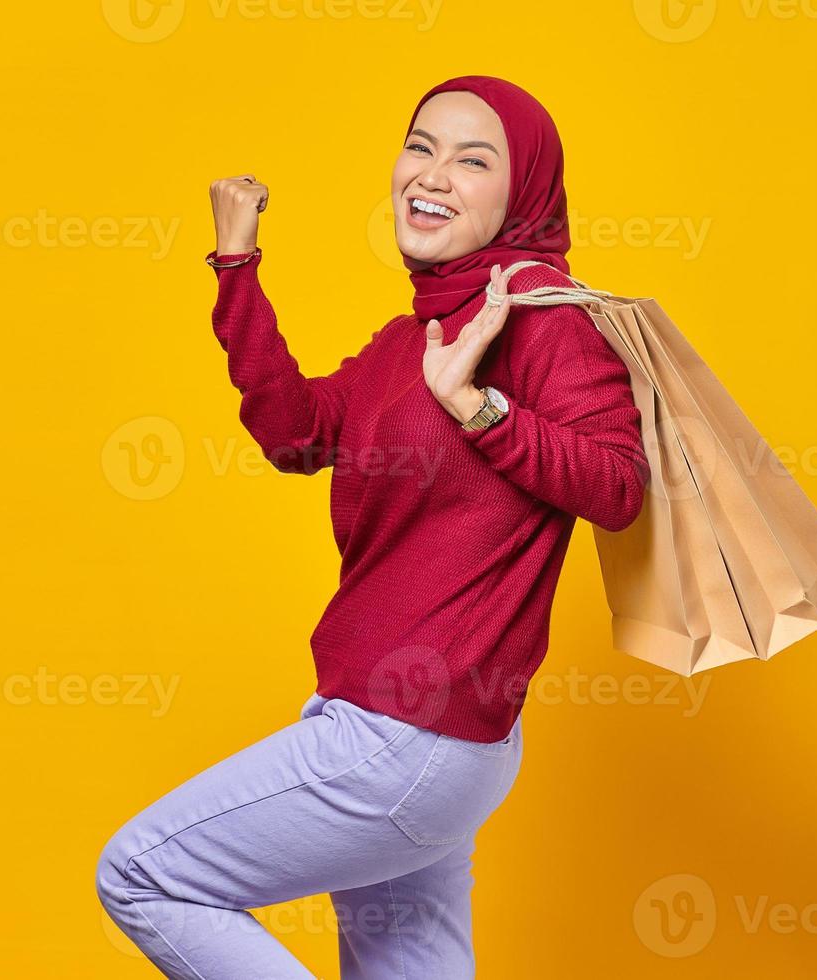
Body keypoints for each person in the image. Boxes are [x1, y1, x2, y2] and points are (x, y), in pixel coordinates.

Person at [97, 74, 650, 979]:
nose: (432, 173)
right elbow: (296, 431)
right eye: (421, 145)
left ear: (523, 198)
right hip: (401, 728)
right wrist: (237, 270)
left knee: (144, 876)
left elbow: (619, 484)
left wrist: (480, 409)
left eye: (474, 160)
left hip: (409, 734)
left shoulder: (547, 322)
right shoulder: (414, 336)